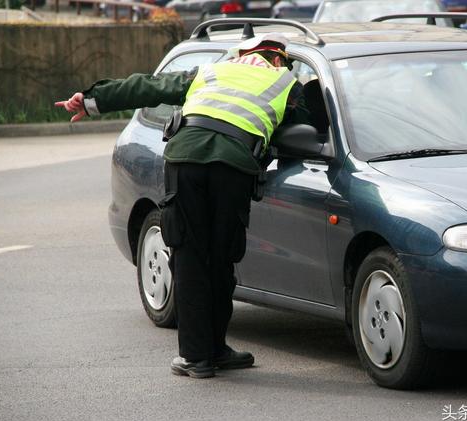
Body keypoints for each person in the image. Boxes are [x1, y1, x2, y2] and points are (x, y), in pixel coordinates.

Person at [55, 33, 310, 378]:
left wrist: (90, 100)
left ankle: (198, 357)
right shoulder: (285, 81)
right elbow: (313, 122)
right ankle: (213, 349)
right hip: (233, 166)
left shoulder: (212, 71)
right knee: (221, 257)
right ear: (278, 58)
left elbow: (150, 86)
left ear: (243, 53)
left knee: (189, 254)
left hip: (185, 160)